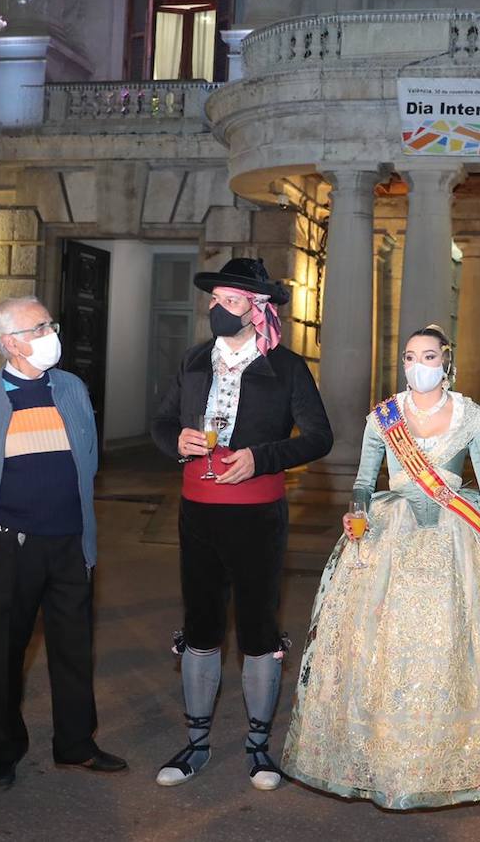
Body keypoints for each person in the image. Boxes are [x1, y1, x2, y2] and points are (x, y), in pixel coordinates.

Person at [283, 324, 480, 809]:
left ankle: (450, 759)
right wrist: (357, 509)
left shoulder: (469, 416)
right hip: (392, 535)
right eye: (408, 357)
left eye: (427, 356)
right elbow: (364, 481)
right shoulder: (384, 417)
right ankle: (385, 759)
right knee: (383, 645)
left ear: (446, 361)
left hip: (457, 538)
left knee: (451, 643)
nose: (416, 366)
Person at [151, 257, 333, 793]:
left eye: (229, 301)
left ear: (258, 310)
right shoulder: (192, 361)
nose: (216, 309)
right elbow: (162, 421)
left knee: (256, 628)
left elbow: (319, 436)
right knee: (202, 624)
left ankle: (258, 748)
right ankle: (197, 743)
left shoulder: (288, 368)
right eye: (214, 300)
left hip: (257, 514)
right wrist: (173, 441)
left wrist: (263, 456)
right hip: (197, 511)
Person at [0, 296, 127, 791]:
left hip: (69, 545)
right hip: (8, 550)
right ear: (11, 343)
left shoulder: (71, 389)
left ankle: (77, 745)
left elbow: (88, 459)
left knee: (73, 650)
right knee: (3, 655)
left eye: (50, 324)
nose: (51, 333)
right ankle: (2, 753)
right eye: (40, 327)